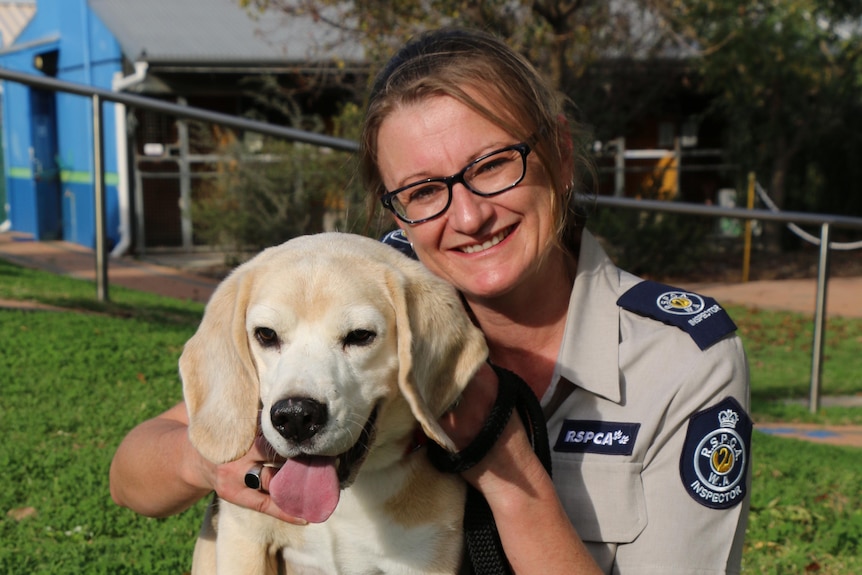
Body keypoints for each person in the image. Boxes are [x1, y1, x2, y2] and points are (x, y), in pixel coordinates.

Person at [111, 27, 751, 574]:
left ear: (559, 154)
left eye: (495, 163)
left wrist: (498, 457)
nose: (468, 215)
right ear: (393, 207)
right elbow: (134, 475)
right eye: (423, 191)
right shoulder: (377, 291)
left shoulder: (680, 359)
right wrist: (222, 462)